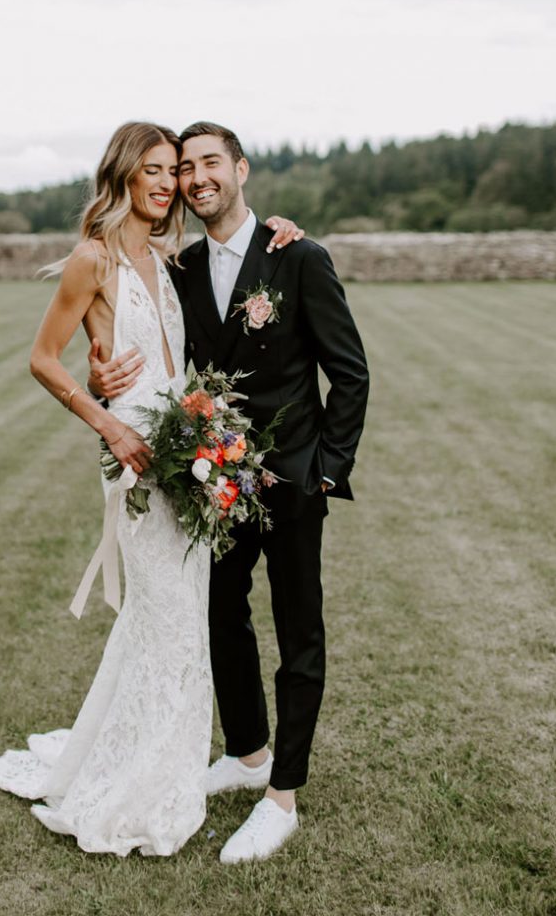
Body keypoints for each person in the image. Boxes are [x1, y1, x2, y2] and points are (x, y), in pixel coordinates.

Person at [0, 121, 302, 857]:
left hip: (189, 454)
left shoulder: (168, 259)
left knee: (179, 619)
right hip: (135, 457)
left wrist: (278, 228)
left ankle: (159, 767)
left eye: (174, 171)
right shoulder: (90, 260)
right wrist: (105, 420)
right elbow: (41, 359)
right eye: (153, 170)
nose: (167, 183)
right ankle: (146, 786)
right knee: (169, 619)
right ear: (124, 175)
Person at [89, 121, 369, 863]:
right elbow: (147, 353)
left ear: (239, 170)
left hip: (294, 479)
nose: (195, 176)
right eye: (184, 168)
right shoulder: (177, 268)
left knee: (297, 625)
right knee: (219, 611)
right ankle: (246, 752)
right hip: (212, 481)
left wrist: (326, 469)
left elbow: (350, 372)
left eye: (210, 162)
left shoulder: (297, 256)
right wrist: (99, 380)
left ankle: (282, 795)